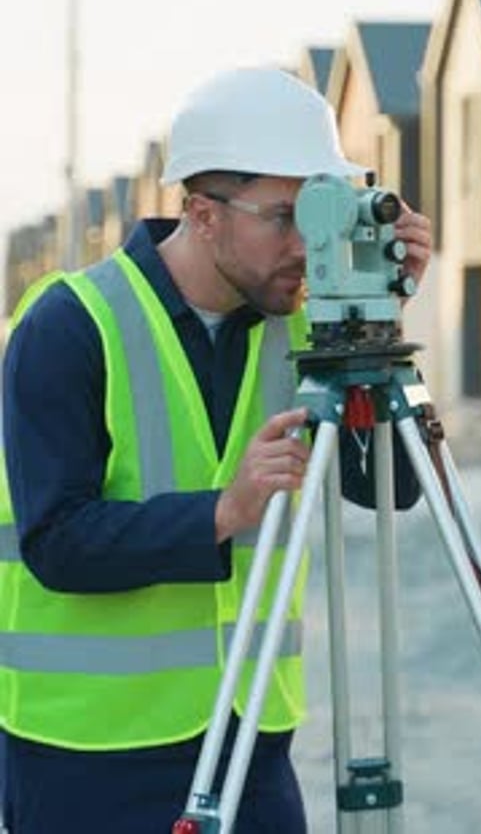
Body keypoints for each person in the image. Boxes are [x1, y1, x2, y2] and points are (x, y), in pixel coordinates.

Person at [0, 67, 431, 834]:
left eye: (324, 214)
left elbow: (392, 488)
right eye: (285, 218)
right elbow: (55, 542)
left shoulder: (301, 324)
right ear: (202, 213)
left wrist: (376, 320)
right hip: (91, 754)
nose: (309, 245)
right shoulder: (70, 325)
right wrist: (223, 512)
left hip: (251, 736)